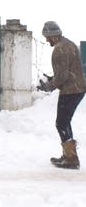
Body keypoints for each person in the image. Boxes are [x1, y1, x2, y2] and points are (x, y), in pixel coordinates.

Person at [37, 21, 86, 169]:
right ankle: (69, 156)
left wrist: (48, 86)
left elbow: (63, 76)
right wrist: (53, 79)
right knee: (65, 122)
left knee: (61, 123)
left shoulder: (59, 49)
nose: (46, 40)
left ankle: (71, 159)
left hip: (71, 90)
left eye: (47, 37)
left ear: (53, 36)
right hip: (78, 88)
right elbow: (67, 71)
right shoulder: (69, 44)